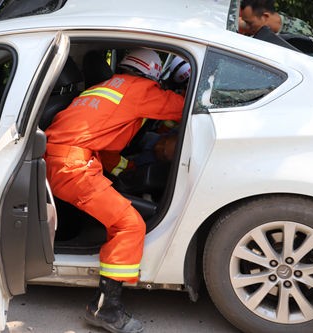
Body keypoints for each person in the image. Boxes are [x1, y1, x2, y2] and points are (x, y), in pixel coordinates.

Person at [44, 48, 185, 333]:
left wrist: (126, 170)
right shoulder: (141, 89)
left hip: (57, 160)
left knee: (121, 216)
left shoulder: (102, 87)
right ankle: (106, 309)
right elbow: (187, 107)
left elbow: (106, 148)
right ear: (153, 74)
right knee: (130, 225)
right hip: (73, 167)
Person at [239, 0, 313, 54]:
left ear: (265, 17)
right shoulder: (259, 24)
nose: (247, 27)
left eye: (249, 23)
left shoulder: (299, 32)